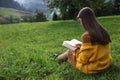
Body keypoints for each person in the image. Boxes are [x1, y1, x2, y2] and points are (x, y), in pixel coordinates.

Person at [57, 7, 112, 74]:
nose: (80, 23)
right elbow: (95, 49)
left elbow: (83, 59)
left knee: (69, 52)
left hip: (94, 67)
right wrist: (82, 46)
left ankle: (58, 58)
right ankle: (58, 56)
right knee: (74, 49)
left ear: (83, 20)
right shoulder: (103, 31)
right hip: (106, 63)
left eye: (80, 20)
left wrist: (76, 50)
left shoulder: (87, 36)